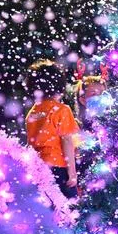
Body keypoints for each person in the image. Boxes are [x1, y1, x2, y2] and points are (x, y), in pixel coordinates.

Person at [25, 60, 79, 199]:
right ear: (59, 85)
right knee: (68, 211)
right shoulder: (61, 110)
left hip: (37, 166)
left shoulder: (33, 111)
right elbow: (67, 141)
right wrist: (72, 173)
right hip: (58, 166)